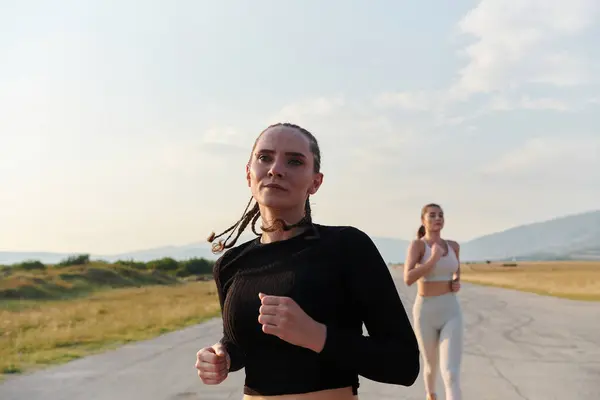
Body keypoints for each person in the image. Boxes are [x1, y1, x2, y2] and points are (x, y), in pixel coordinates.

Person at [195, 122, 420, 400]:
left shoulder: (347, 247)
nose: (276, 168)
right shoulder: (232, 264)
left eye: (294, 161)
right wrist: (223, 356)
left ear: (315, 182)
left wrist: (316, 336)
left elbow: (404, 364)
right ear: (248, 174)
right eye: (265, 157)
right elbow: (241, 344)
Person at [403, 203, 463, 400]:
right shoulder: (418, 246)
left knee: (451, 372)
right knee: (430, 366)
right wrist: (433, 259)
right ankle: (431, 395)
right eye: (432, 215)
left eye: (440, 215)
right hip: (426, 312)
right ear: (423, 221)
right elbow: (408, 278)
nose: (438, 218)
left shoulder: (453, 246)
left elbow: (456, 271)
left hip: (450, 311)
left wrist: (456, 282)